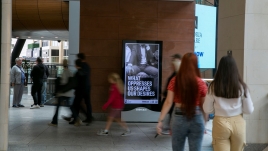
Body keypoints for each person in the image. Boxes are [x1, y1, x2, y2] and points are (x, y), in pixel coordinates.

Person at [156, 53, 207, 151]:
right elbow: (204, 106)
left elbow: (168, 102)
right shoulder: (201, 83)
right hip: (196, 117)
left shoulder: (175, 81)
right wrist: (204, 122)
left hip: (178, 118)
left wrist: (160, 121)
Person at [203, 55, 254, 151]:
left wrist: (217, 109)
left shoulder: (213, 86)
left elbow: (207, 109)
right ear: (235, 69)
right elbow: (249, 110)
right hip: (238, 123)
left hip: (220, 122)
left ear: (220, 69)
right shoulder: (242, 86)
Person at [48, 59, 74, 126]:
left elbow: (63, 82)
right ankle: (76, 117)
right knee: (68, 106)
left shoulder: (64, 72)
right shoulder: (70, 71)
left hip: (63, 92)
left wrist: (59, 81)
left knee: (58, 107)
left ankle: (54, 121)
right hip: (68, 93)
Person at [161, 54, 181, 135]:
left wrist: (160, 121)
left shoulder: (175, 77)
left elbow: (168, 101)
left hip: (174, 103)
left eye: (174, 62)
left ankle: (168, 128)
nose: (171, 65)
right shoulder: (176, 75)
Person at [63, 59, 87, 126]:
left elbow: (74, 83)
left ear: (76, 65)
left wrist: (66, 89)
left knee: (73, 106)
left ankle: (78, 119)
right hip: (82, 91)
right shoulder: (83, 72)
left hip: (78, 92)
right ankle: (75, 119)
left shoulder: (77, 73)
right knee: (76, 106)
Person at [76, 53, 94, 123]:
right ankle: (89, 117)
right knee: (87, 103)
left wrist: (79, 69)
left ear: (79, 58)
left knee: (77, 103)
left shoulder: (81, 66)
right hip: (87, 86)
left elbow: (81, 75)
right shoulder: (87, 65)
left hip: (82, 87)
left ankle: (76, 117)